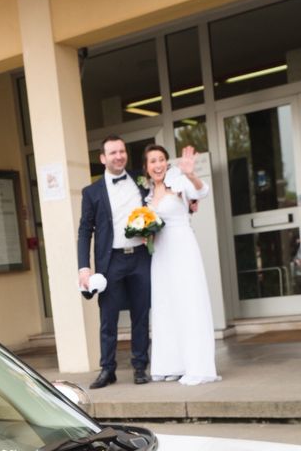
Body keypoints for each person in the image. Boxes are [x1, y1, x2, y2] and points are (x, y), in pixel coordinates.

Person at [77, 135, 151, 388]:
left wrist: (190, 200)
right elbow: (85, 230)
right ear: (102, 158)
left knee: (141, 315)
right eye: (112, 153)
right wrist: (84, 267)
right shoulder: (92, 192)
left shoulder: (141, 181)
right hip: (111, 262)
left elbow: (164, 195)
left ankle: (140, 366)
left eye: (122, 151)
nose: (118, 156)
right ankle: (107, 369)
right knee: (108, 318)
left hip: (141, 257)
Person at [143, 144, 220, 385]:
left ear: (167, 162)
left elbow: (202, 192)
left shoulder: (179, 182)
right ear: (146, 167)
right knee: (166, 305)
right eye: (153, 161)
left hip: (182, 247)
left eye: (161, 159)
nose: (158, 165)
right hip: (160, 252)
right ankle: (172, 364)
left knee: (189, 302)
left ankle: (198, 366)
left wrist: (190, 175)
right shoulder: (146, 194)